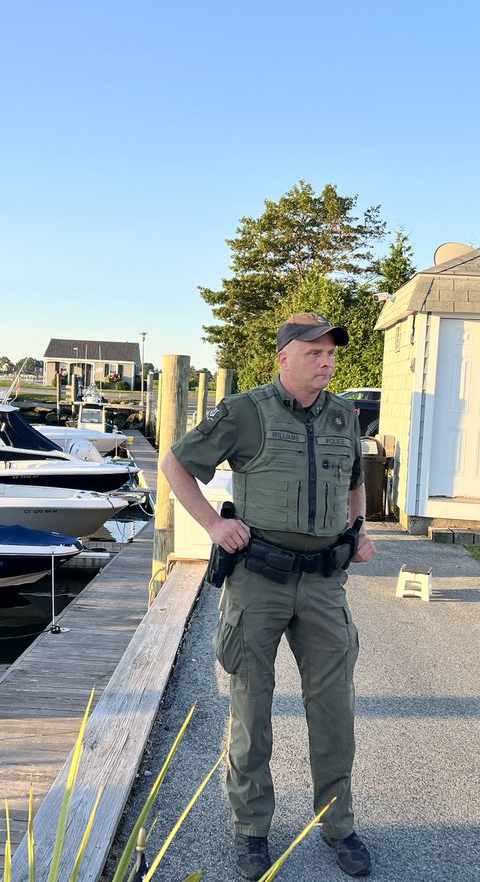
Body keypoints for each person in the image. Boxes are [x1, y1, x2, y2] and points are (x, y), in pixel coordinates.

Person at [160, 312, 376, 879]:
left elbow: (355, 480)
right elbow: (176, 464)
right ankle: (251, 830)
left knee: (334, 708)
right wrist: (213, 525)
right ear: (283, 358)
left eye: (331, 353)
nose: (326, 361)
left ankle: (338, 824)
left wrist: (358, 531)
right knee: (251, 707)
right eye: (314, 352)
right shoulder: (245, 412)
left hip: (325, 584)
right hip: (258, 581)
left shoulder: (342, 414)